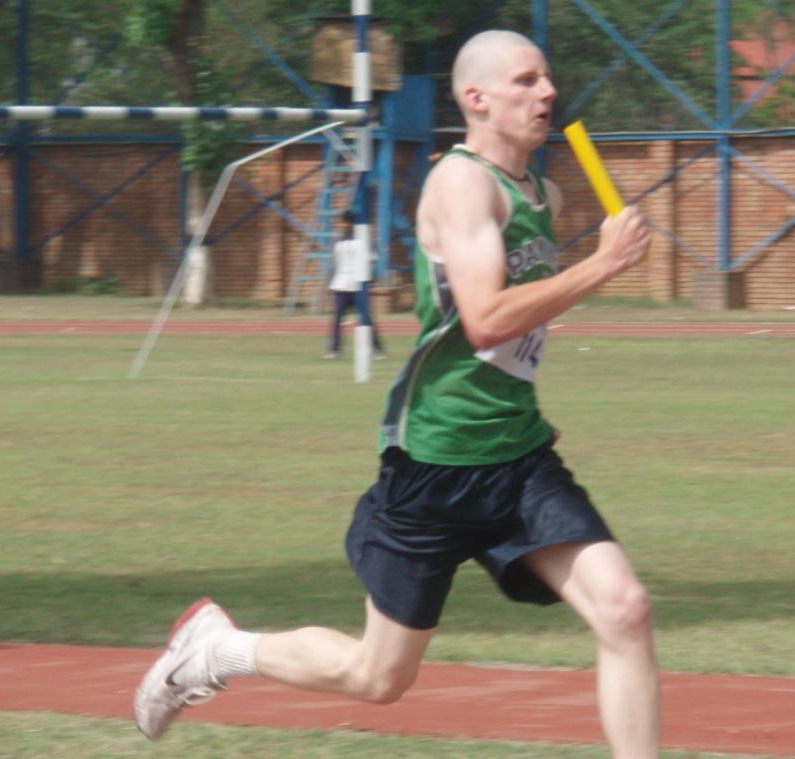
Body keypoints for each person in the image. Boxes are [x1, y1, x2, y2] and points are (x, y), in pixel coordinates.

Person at [133, 29, 658, 757]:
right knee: (377, 677)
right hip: (436, 462)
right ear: (476, 98)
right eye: (526, 81)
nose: (548, 93)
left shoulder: (548, 190)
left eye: (548, 80)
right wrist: (603, 266)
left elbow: (517, 331)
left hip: (519, 456)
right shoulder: (462, 182)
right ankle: (218, 649)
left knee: (626, 609)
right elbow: (483, 320)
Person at [324, 210, 385, 360]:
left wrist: (370, 280)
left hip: (358, 286)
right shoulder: (338, 242)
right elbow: (335, 264)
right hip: (341, 285)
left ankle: (378, 349)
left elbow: (372, 260)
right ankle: (335, 350)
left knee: (366, 318)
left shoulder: (362, 241)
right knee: (337, 318)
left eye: (346, 222)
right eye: (342, 222)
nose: (344, 225)